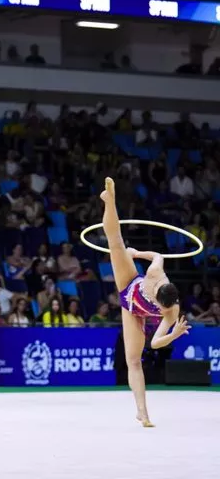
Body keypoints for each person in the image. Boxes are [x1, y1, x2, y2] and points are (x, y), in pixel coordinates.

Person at [99, 177, 187, 427]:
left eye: (162, 310)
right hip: (130, 285)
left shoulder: (171, 312)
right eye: (160, 308)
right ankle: (110, 200)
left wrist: (175, 334)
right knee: (116, 244)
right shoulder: (154, 273)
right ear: (157, 293)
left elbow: (157, 342)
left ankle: (142, 413)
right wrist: (137, 254)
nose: (161, 312)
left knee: (134, 361)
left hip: (132, 311)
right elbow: (158, 255)